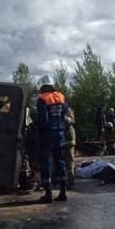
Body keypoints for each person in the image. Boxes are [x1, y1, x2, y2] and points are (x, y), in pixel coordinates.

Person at [36, 75, 68, 203]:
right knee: (60, 161)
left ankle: (48, 193)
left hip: (47, 134)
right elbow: (64, 114)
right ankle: (63, 191)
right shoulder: (61, 97)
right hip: (60, 133)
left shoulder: (42, 99)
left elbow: (43, 119)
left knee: (46, 162)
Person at [64, 107, 76, 189]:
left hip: (68, 140)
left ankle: (70, 182)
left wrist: (64, 118)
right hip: (62, 139)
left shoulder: (67, 109)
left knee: (69, 162)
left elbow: (71, 121)